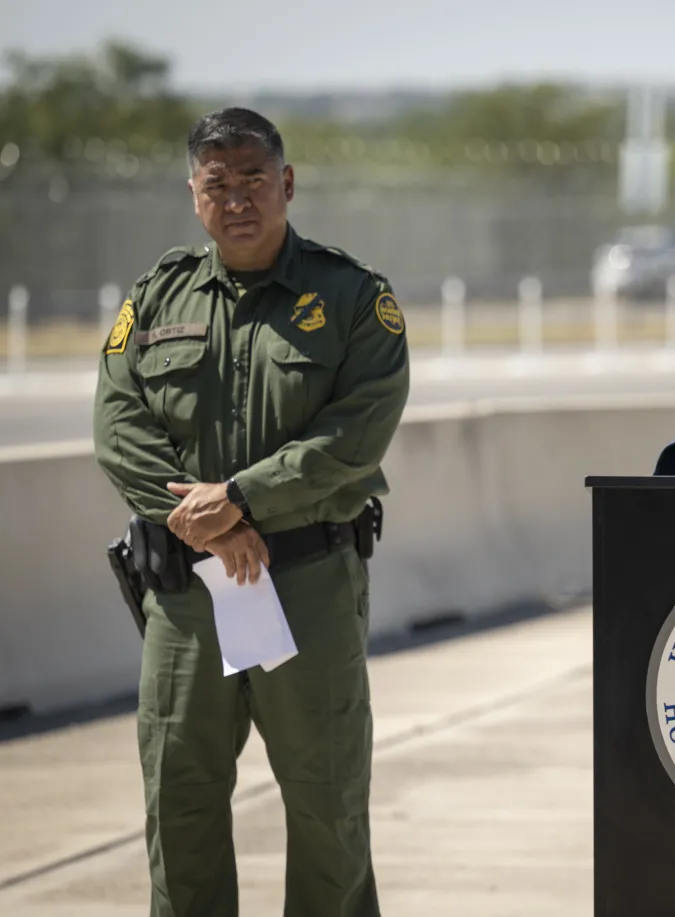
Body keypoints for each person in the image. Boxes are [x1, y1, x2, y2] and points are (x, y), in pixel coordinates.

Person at [93, 107, 409, 917]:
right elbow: (119, 423)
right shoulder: (157, 295)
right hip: (187, 590)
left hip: (305, 580)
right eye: (217, 184)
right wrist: (211, 523)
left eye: (254, 181)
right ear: (194, 196)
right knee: (181, 800)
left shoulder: (351, 296)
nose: (237, 200)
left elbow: (358, 432)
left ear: (288, 184)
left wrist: (241, 498)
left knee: (326, 803)